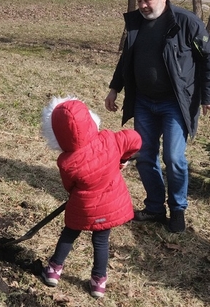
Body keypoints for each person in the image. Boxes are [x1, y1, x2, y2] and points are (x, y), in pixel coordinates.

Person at [104, 0, 210, 233]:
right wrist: (115, 88)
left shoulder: (185, 22)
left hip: (176, 104)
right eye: (138, 1)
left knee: (173, 157)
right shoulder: (136, 23)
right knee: (145, 156)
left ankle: (178, 209)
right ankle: (155, 207)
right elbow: (126, 59)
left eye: (146, 0)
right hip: (144, 103)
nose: (142, 6)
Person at [40, 96, 141, 298]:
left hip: (82, 207)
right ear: (90, 120)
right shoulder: (110, 139)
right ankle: (98, 282)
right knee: (101, 242)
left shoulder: (67, 162)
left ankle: (54, 270)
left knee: (69, 234)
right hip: (110, 206)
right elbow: (135, 139)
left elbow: (70, 187)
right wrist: (123, 158)